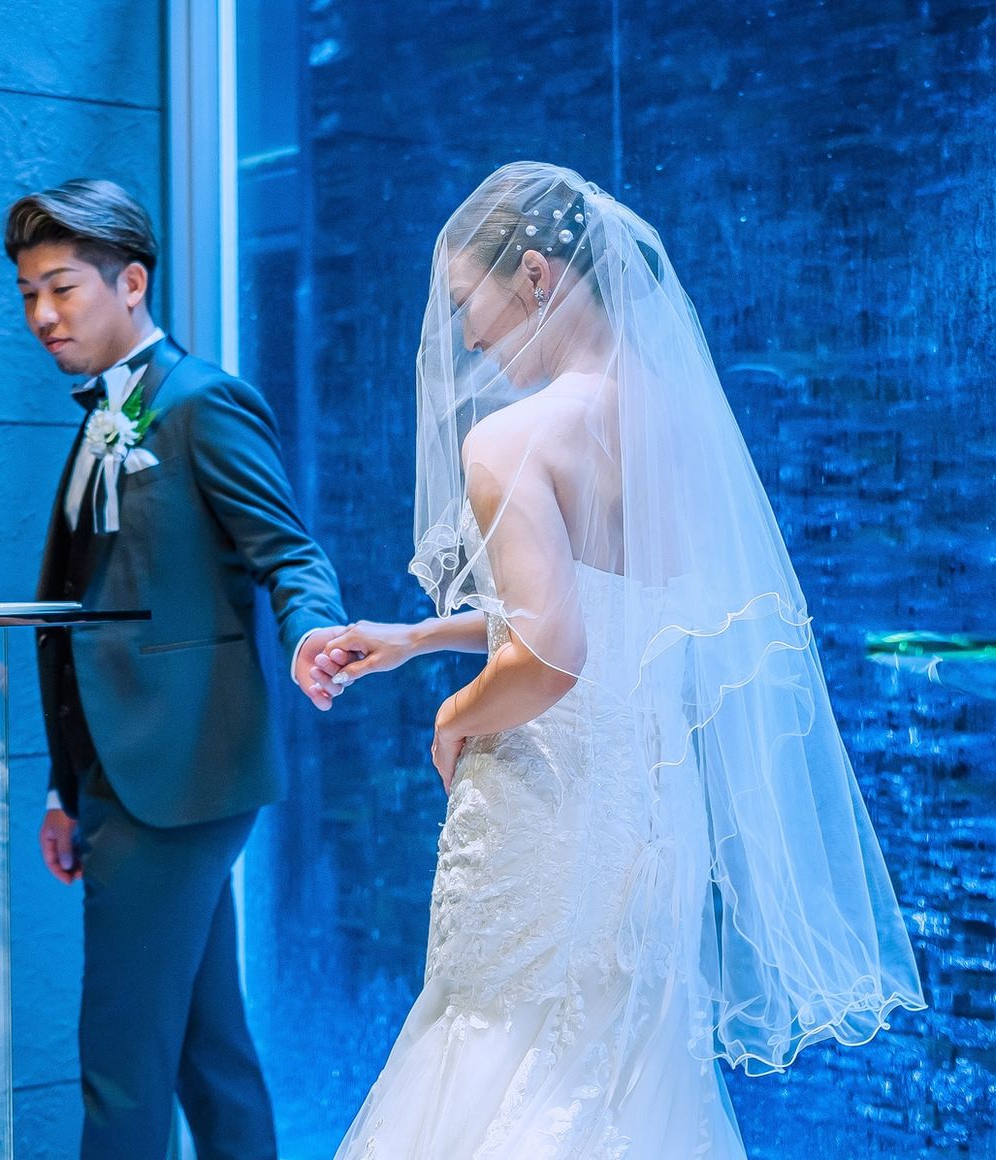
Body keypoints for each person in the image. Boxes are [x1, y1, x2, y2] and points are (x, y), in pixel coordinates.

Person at [311, 162, 925, 1157]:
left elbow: (551, 656)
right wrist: (419, 637)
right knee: (628, 1063)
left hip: (544, 807)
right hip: (649, 808)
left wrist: (454, 714)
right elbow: (617, 609)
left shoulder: (509, 440)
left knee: (493, 1039)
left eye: (467, 302)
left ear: (536, 276)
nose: (465, 336)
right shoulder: (677, 423)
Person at [4, 178, 347, 1160]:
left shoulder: (201, 402)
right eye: (28, 294)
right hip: (124, 779)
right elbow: (79, 615)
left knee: (120, 1064)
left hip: (178, 771)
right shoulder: (99, 419)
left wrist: (310, 633)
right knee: (207, 1051)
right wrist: (65, 789)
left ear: (131, 282)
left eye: (61, 288)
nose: (42, 315)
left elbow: (288, 553)